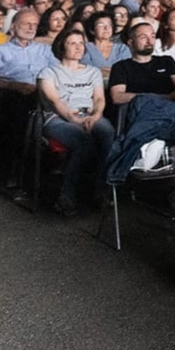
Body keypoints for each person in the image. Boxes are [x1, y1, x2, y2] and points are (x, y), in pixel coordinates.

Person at [37, 28, 114, 216]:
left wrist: (95, 116)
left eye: (81, 43)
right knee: (83, 142)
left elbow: (99, 99)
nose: (79, 47)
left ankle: (98, 189)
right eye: (73, 43)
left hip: (89, 114)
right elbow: (55, 101)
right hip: (59, 118)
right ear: (62, 46)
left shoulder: (93, 72)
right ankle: (66, 196)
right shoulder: (48, 72)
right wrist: (74, 119)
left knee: (108, 135)